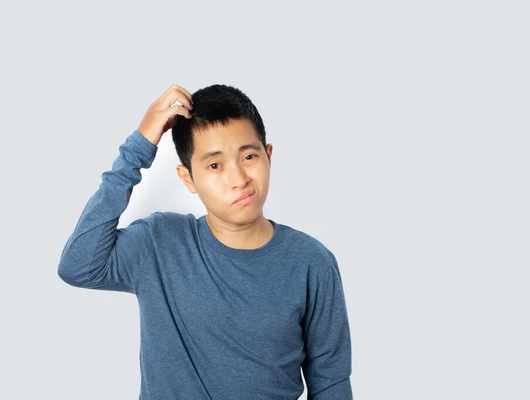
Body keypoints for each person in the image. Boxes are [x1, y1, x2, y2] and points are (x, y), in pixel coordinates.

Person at [58, 83, 353, 399]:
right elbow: (79, 265)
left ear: (268, 156)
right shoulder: (159, 245)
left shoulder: (312, 261)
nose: (239, 179)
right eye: (215, 165)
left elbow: (331, 381)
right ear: (188, 178)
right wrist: (140, 144)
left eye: (249, 156)